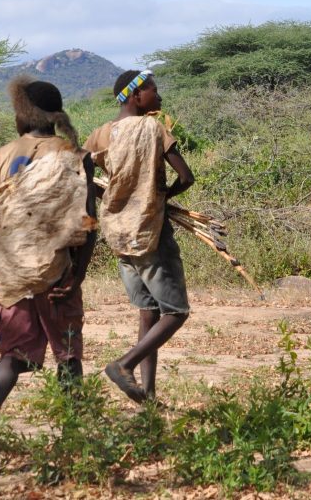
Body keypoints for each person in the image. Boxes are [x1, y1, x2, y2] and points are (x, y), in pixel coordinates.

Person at [0, 76, 97, 473]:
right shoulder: (74, 155)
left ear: (22, 114)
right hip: (57, 271)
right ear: (55, 114)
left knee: (14, 355)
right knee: (68, 357)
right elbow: (86, 222)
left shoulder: (2, 155)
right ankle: (74, 437)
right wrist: (77, 276)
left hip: (13, 272)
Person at [84, 69, 194, 403]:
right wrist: (159, 198)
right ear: (136, 96)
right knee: (176, 312)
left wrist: (118, 198)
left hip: (118, 236)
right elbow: (186, 177)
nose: (159, 98)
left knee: (148, 312)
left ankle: (147, 395)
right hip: (150, 232)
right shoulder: (153, 128)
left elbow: (83, 177)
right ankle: (124, 364)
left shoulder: (101, 134)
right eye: (154, 91)